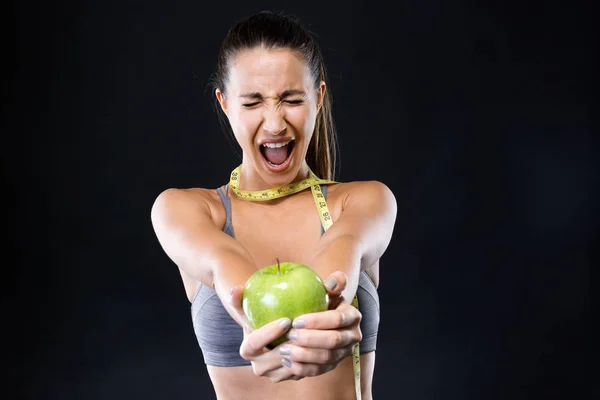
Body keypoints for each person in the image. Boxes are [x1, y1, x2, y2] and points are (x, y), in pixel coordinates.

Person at [151, 10, 397, 400]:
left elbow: (342, 252)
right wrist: (255, 324)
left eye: (291, 99)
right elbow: (221, 263)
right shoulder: (186, 210)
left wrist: (328, 315)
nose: (275, 124)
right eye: (252, 103)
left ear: (318, 97)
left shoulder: (364, 201)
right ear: (225, 104)